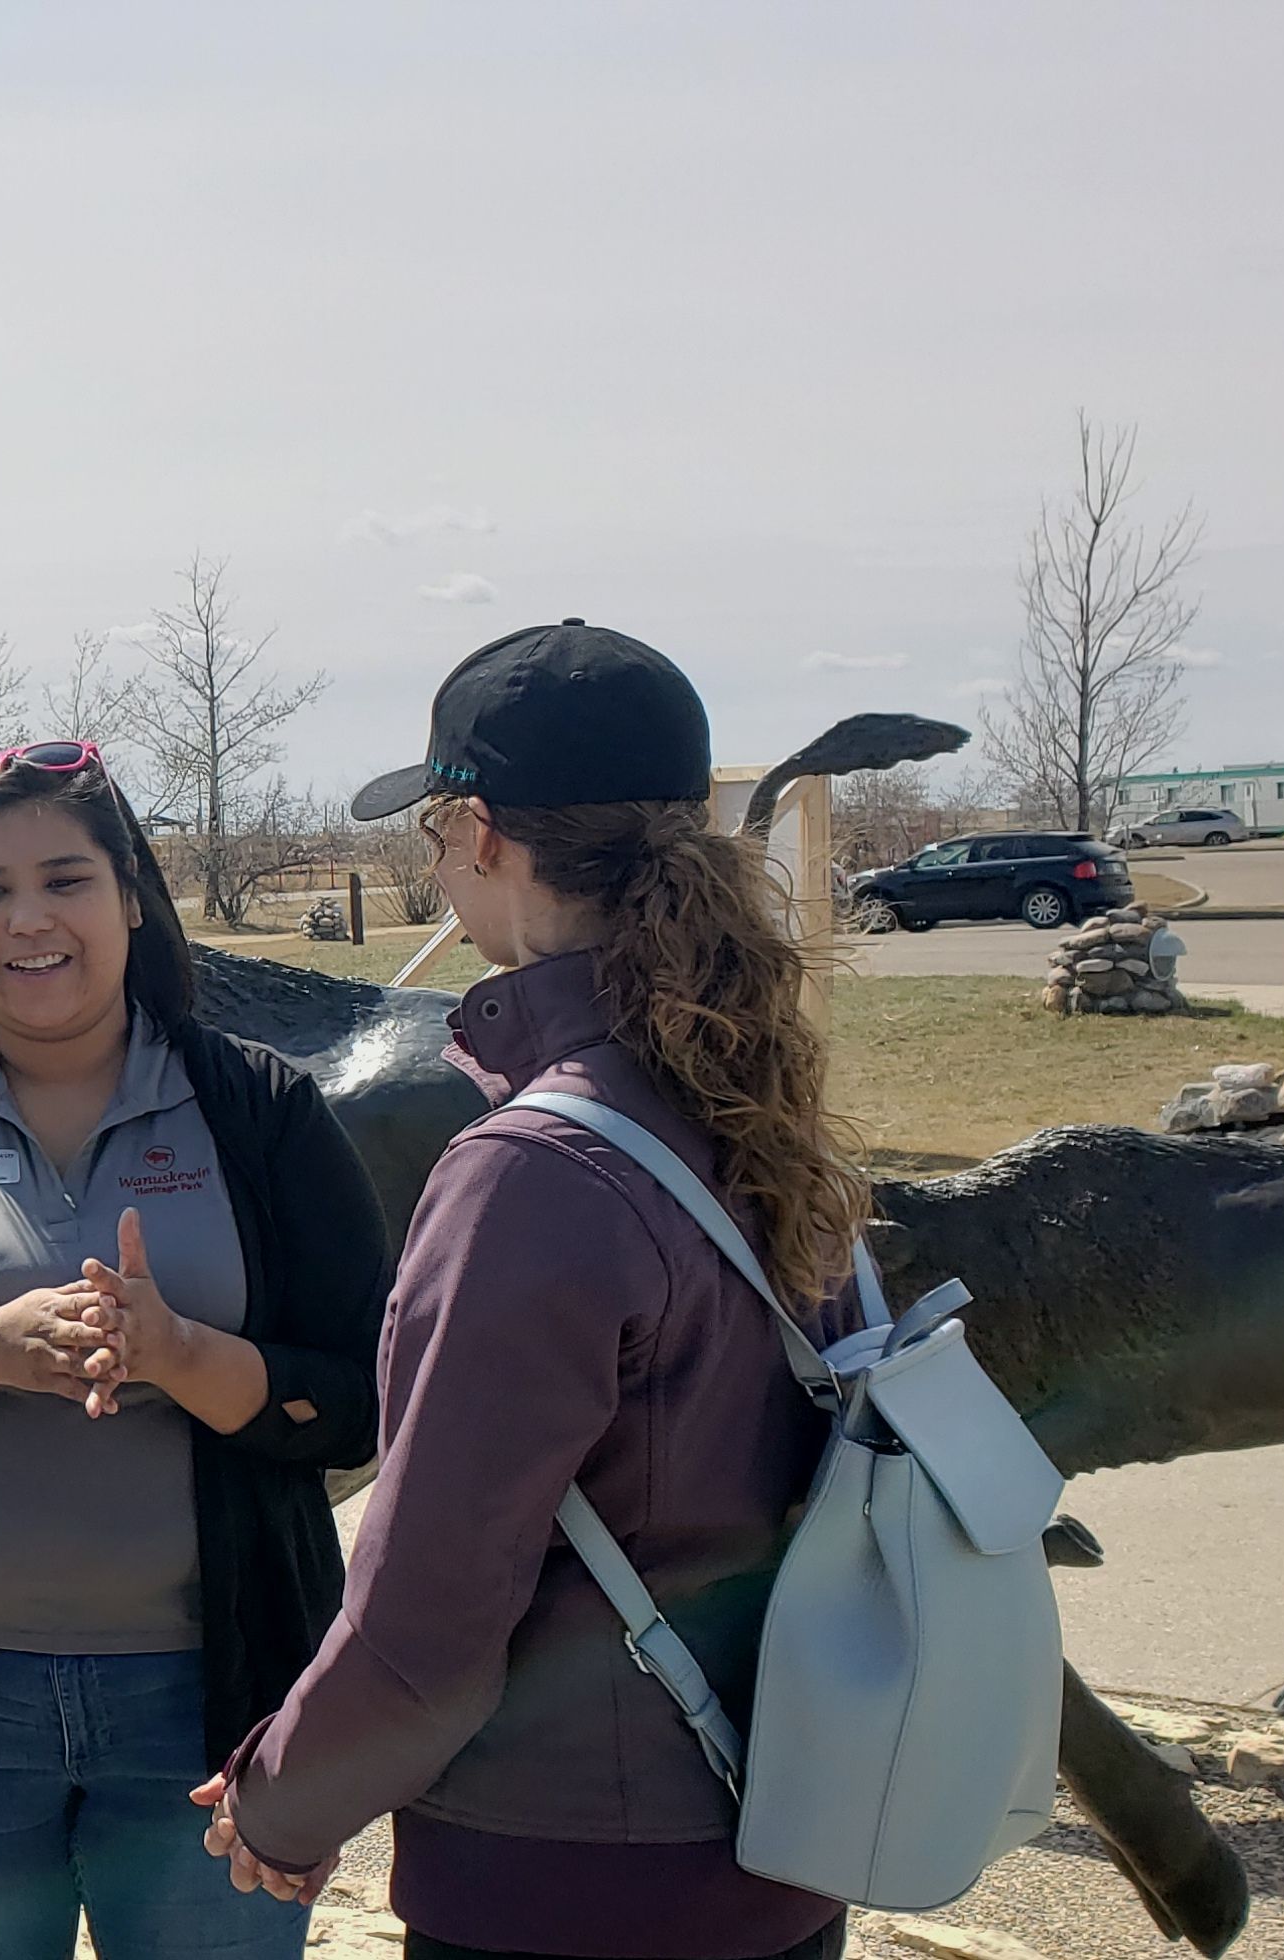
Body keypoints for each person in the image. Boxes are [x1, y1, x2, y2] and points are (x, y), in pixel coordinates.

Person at [202, 623, 866, 1960]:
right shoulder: (751, 1103)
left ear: (483, 834)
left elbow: (428, 1618)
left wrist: (281, 1800)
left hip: (568, 1884)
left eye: (435, 837)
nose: (439, 867)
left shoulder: (533, 1170)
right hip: (789, 1837)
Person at [0, 745, 394, 1960]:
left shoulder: (259, 1110)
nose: (28, 919)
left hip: (213, 1706)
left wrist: (182, 1353)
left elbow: (367, 1399)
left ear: (132, 896)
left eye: (65, 879)